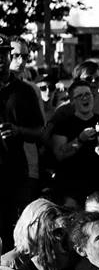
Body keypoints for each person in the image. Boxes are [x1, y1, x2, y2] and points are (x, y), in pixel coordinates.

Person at [0, 35, 46, 251]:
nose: (0, 59)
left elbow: (40, 131)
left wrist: (18, 131)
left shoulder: (25, 91)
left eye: (3, 54)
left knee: (15, 232)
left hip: (15, 172)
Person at [50, 80, 99, 203]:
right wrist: (79, 140)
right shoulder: (63, 124)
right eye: (80, 96)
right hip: (71, 186)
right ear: (72, 101)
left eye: (88, 94)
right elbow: (59, 155)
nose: (85, 98)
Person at [0, 198, 70, 270]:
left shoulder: (57, 258)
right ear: (32, 226)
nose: (58, 238)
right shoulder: (8, 263)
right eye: (54, 231)